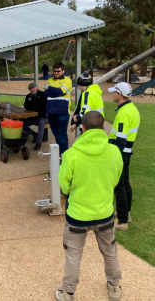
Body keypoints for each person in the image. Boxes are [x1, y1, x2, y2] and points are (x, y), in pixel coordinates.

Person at [54, 111, 123, 301]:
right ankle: (114, 286)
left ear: (82, 129)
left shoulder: (71, 155)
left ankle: (68, 292)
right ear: (103, 128)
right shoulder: (114, 151)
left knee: (73, 255)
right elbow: (116, 179)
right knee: (110, 252)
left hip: (77, 215)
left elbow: (64, 186)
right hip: (105, 214)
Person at [107, 82, 139, 231]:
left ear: (119, 94)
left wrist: (112, 155)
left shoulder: (124, 113)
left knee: (119, 186)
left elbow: (120, 139)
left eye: (114, 92)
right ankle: (126, 213)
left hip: (120, 153)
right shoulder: (131, 109)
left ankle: (122, 221)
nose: (112, 94)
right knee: (125, 183)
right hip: (127, 152)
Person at [42, 62, 74, 156]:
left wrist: (50, 88)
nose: (56, 73)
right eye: (55, 71)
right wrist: (56, 92)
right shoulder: (50, 79)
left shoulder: (67, 80)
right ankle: (58, 155)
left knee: (62, 136)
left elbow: (61, 91)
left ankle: (64, 156)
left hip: (62, 112)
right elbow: (45, 93)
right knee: (56, 136)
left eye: (58, 71)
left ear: (63, 71)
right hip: (51, 113)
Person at [23, 82, 49, 150]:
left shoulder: (42, 94)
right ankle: (34, 134)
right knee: (21, 124)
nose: (32, 90)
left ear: (36, 88)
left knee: (41, 123)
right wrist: (29, 99)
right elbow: (26, 107)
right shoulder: (28, 96)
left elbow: (47, 106)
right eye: (30, 89)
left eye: (33, 88)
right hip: (32, 117)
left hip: (42, 117)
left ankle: (38, 142)